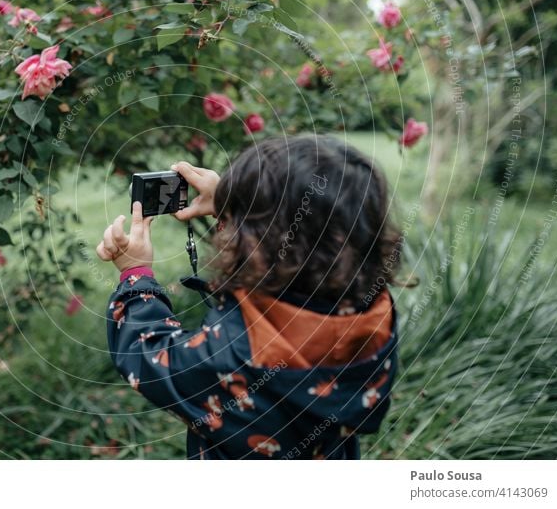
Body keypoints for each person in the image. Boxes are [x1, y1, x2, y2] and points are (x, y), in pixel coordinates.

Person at [96, 135, 402, 459]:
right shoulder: (375, 315)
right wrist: (234, 205)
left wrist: (136, 273)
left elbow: (146, 353)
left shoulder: (231, 356)